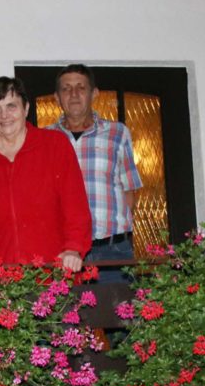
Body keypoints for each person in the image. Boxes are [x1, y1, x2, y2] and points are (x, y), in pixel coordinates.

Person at [0, 77, 91, 272]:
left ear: (26, 108)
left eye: (11, 106)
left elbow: (75, 205)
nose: (4, 115)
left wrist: (74, 248)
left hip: (53, 271)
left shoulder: (55, 145)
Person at [47, 64, 143, 262]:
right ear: (57, 97)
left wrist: (117, 233)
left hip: (113, 249)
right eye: (66, 89)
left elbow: (129, 190)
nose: (74, 94)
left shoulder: (117, 133)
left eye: (81, 87)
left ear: (94, 93)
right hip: (64, 252)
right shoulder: (45, 139)